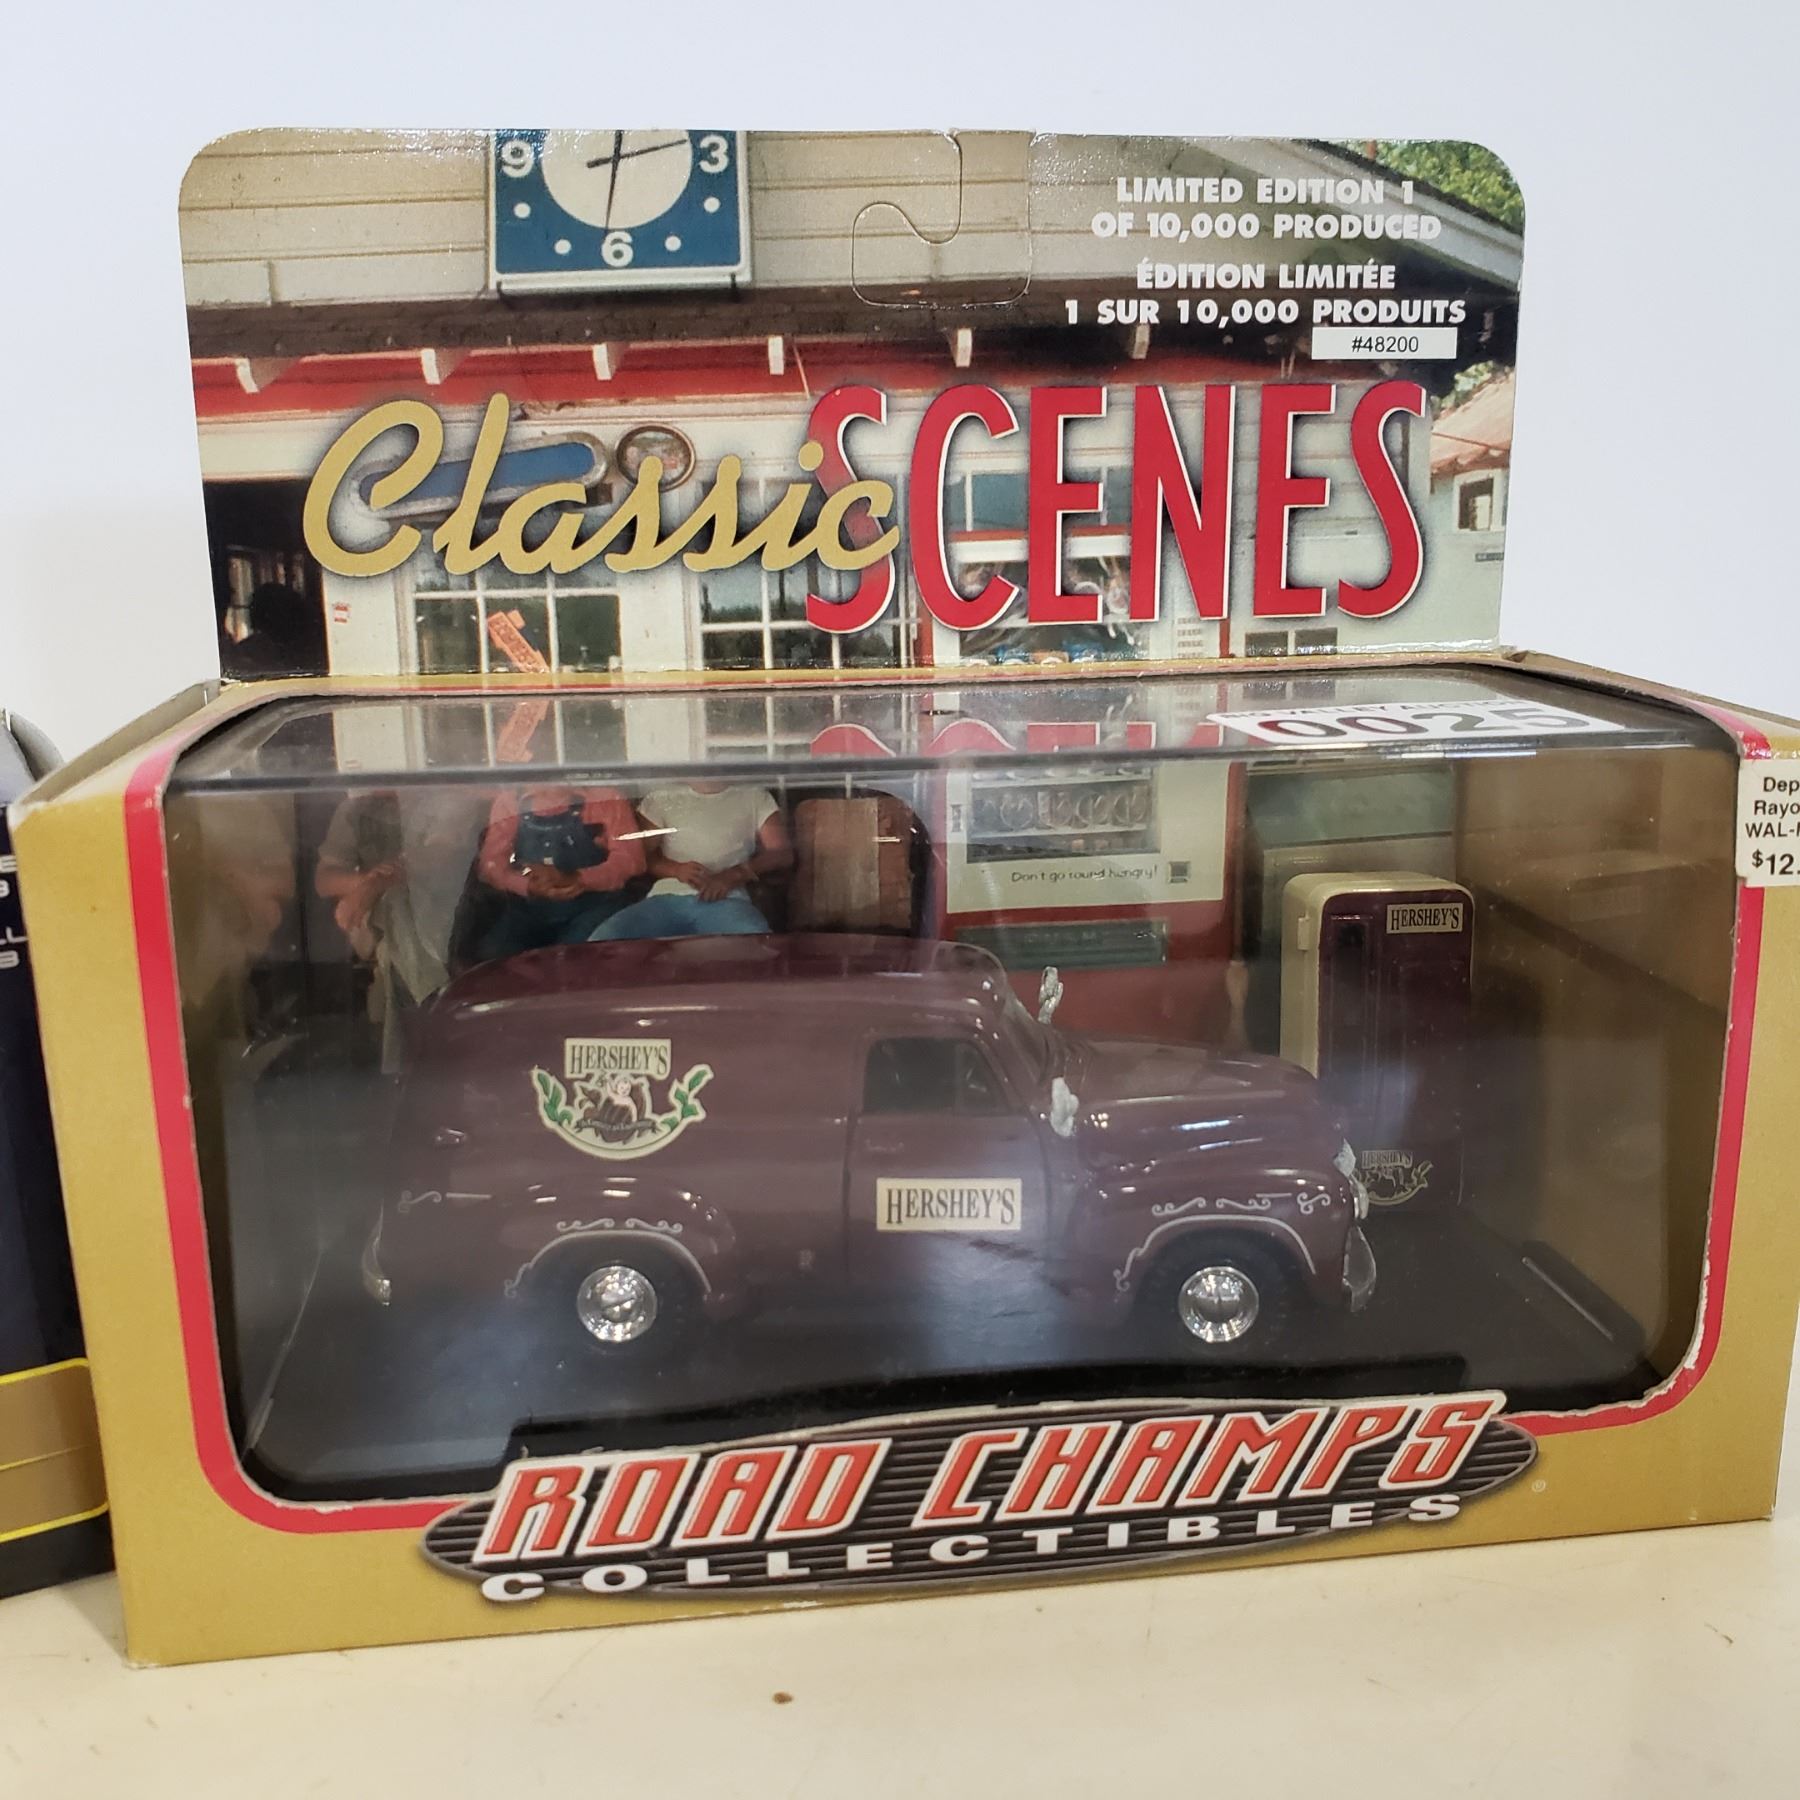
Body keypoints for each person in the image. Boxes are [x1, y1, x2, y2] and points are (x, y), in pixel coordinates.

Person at [316, 788, 485, 1068]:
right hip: (382, 929)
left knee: (400, 912)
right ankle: (430, 1013)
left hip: (448, 914)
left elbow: (437, 856)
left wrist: (376, 884)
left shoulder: (446, 797)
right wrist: (366, 883)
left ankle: (417, 1039)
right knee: (397, 909)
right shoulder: (355, 811)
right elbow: (325, 879)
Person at [590, 782, 792, 941]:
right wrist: (675, 870)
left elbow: (781, 853)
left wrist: (734, 875)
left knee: (759, 949)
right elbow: (640, 856)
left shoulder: (755, 795)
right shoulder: (663, 797)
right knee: (603, 942)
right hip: (665, 900)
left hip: (727, 901)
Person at [475, 785, 646, 959]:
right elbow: (490, 865)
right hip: (529, 909)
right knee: (492, 956)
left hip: (595, 907)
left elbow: (632, 860)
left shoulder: (606, 798)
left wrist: (579, 878)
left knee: (577, 959)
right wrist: (528, 885)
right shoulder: (509, 801)